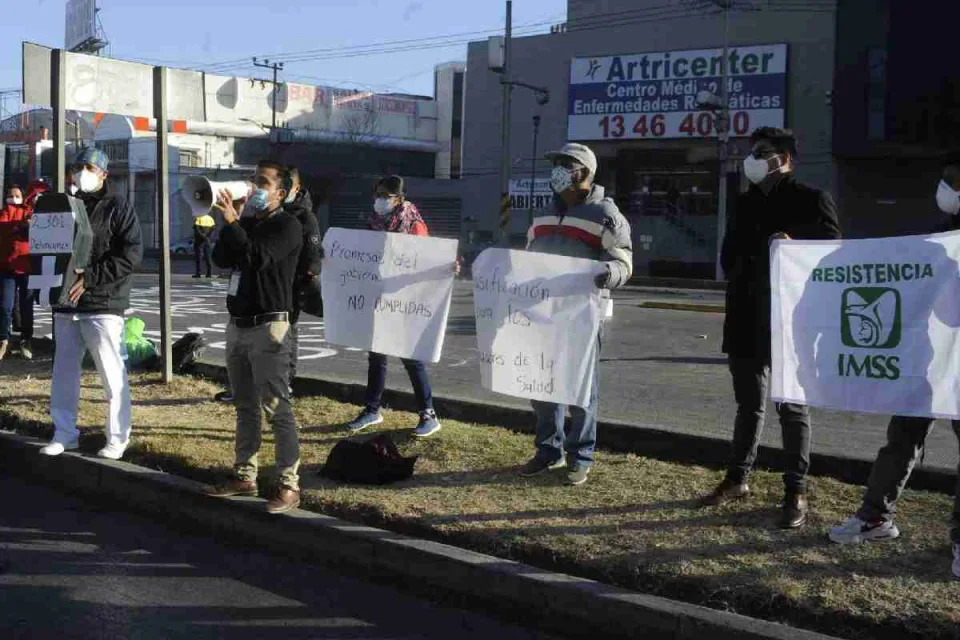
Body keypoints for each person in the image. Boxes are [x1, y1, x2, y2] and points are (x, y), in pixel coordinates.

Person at [700, 127, 841, 528]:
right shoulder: (744, 203)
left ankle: (796, 489)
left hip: (790, 319)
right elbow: (728, 256)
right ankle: (737, 478)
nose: (753, 160)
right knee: (748, 405)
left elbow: (832, 254)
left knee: (792, 407)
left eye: (762, 153)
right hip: (745, 315)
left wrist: (794, 243)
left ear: (784, 158)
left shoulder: (812, 199)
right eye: (752, 153)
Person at [828, 155, 960, 579]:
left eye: (954, 180)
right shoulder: (941, 235)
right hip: (925, 359)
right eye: (944, 179)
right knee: (901, 439)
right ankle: (875, 519)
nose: (945, 188)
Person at [518, 142, 633, 486]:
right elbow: (528, 255)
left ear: (584, 172)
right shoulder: (542, 215)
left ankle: (580, 456)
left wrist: (609, 274)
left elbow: (624, 261)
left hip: (583, 317)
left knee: (581, 391)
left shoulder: (607, 215)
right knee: (542, 387)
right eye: (555, 164)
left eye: (564, 164)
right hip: (542, 315)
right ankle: (547, 450)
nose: (557, 170)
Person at [204, 160, 303, 514]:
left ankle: (289, 485)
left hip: (269, 326)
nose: (254, 186)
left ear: (281, 192)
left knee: (276, 407)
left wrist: (235, 223)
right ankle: (245, 475)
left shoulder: (288, 226)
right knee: (245, 405)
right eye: (253, 180)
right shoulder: (248, 223)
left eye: (262, 182)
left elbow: (257, 258)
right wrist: (233, 221)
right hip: (239, 324)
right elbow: (221, 258)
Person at [40, 146, 143, 460]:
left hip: (103, 302)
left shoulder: (118, 206)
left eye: (89, 167)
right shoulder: (65, 204)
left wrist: (92, 276)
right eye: (77, 166)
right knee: (64, 373)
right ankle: (65, 433)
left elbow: (131, 255)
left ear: (104, 174)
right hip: (66, 303)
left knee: (111, 373)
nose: (81, 172)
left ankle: (117, 438)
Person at [345, 175, 443, 438]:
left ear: (398, 198)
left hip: (405, 300)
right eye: (377, 194)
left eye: (384, 196)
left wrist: (446, 267)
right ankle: (372, 409)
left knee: (411, 358)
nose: (378, 200)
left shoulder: (413, 224)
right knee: (376, 355)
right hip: (379, 298)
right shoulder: (375, 223)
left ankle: (428, 414)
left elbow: (427, 258)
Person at [283, 165, 321, 390]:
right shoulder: (274, 209)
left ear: (297, 186)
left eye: (287, 183)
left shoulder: (305, 216)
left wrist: (305, 276)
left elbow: (313, 256)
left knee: (287, 332)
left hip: (292, 285)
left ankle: (286, 379)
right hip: (272, 282)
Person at [0, 184, 32, 360]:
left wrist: (24, 225)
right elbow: (3, 229)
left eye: (17, 195)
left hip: (26, 267)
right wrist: (19, 227)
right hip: (6, 267)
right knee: (5, 306)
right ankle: (4, 339)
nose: (13, 198)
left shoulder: (28, 211)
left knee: (27, 306)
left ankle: (26, 340)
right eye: (10, 195)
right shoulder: (3, 213)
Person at [193, 212, 216, 278]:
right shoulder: (210, 218)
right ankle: (209, 273)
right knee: (208, 257)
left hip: (199, 241)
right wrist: (207, 236)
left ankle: (198, 273)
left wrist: (203, 236)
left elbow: (196, 229)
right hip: (207, 240)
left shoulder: (198, 218)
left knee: (198, 258)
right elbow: (213, 228)